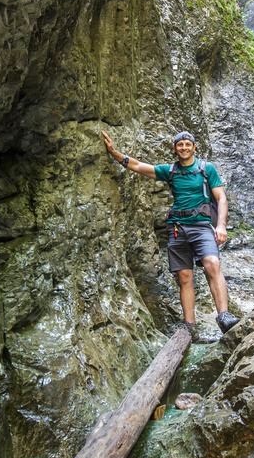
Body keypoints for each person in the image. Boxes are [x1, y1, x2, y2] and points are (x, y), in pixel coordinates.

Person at [101, 129, 239, 341]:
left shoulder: (206, 168)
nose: (184, 147)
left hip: (202, 226)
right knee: (184, 277)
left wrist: (220, 225)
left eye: (187, 144)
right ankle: (190, 326)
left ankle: (224, 316)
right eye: (180, 144)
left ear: (194, 147)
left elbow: (221, 198)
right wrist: (114, 153)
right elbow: (138, 167)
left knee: (212, 263)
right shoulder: (170, 171)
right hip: (177, 227)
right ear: (175, 148)